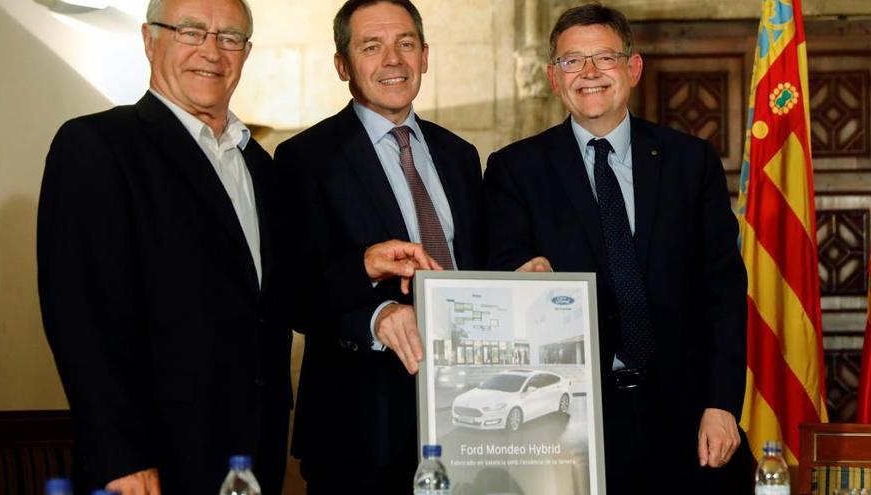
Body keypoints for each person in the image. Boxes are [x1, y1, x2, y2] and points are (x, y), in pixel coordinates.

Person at [483, 4, 751, 494]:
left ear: (632, 67)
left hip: (689, 414)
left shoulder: (691, 161)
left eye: (604, 57)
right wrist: (522, 280)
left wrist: (723, 404)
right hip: (574, 421)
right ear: (552, 77)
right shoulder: (514, 170)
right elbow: (502, 271)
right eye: (572, 61)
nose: (589, 73)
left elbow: (724, 291)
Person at [38, 0, 292, 493]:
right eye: (191, 32)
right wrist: (121, 457)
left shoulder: (260, 165)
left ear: (247, 52)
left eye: (229, 37)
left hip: (254, 458)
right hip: (154, 462)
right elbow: (81, 317)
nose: (211, 52)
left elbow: (273, 300)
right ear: (149, 39)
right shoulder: (97, 146)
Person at [274, 0, 484, 492]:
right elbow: (292, 291)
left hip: (467, 423)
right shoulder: (304, 159)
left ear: (425, 56)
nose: (393, 60)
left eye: (406, 44)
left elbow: (475, 268)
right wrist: (375, 314)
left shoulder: (460, 155)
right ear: (343, 64)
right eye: (373, 47)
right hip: (360, 432)